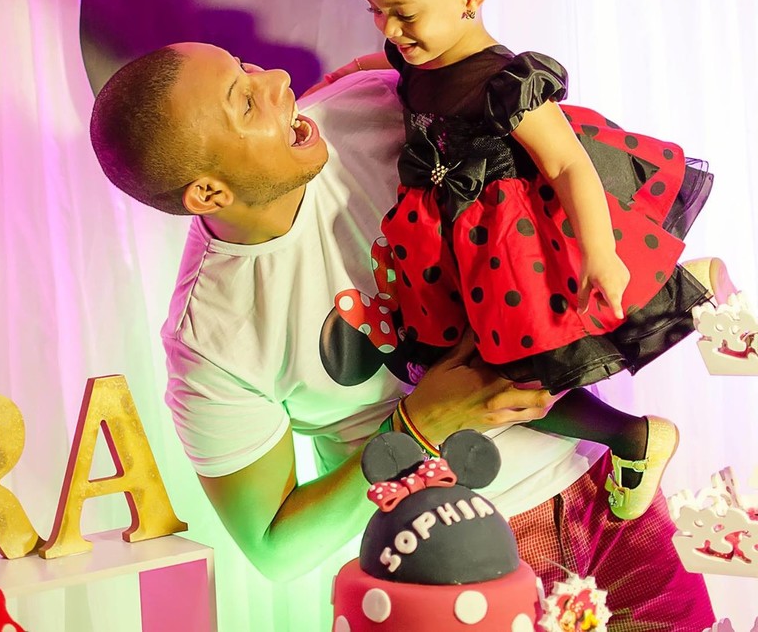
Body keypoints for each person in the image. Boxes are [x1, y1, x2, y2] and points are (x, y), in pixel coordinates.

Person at [88, 41, 715, 626]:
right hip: (448, 563)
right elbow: (276, 548)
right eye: (245, 101)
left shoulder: (374, 106)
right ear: (208, 192)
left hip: (606, 487)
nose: (277, 80)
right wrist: (418, 427)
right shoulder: (209, 340)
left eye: (247, 68)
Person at [293, 0, 726, 521]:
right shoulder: (416, 55)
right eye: (376, 11)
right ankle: (636, 435)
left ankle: (680, 306)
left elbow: (568, 164)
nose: (389, 29)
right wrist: (339, 80)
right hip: (451, 245)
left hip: (510, 239)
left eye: (404, 14)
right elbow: (387, 69)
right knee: (478, 376)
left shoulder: (505, 82)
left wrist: (600, 254)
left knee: (521, 373)